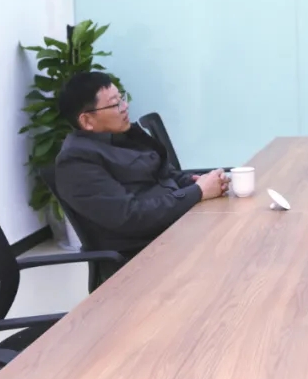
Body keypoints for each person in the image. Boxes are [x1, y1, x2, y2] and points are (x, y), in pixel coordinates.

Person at [54, 72, 229, 284]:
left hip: (175, 232)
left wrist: (196, 181)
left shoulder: (123, 137)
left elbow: (165, 173)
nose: (125, 106)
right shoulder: (76, 161)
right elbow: (131, 216)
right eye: (115, 104)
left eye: (122, 98)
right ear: (87, 120)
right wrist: (198, 192)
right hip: (143, 258)